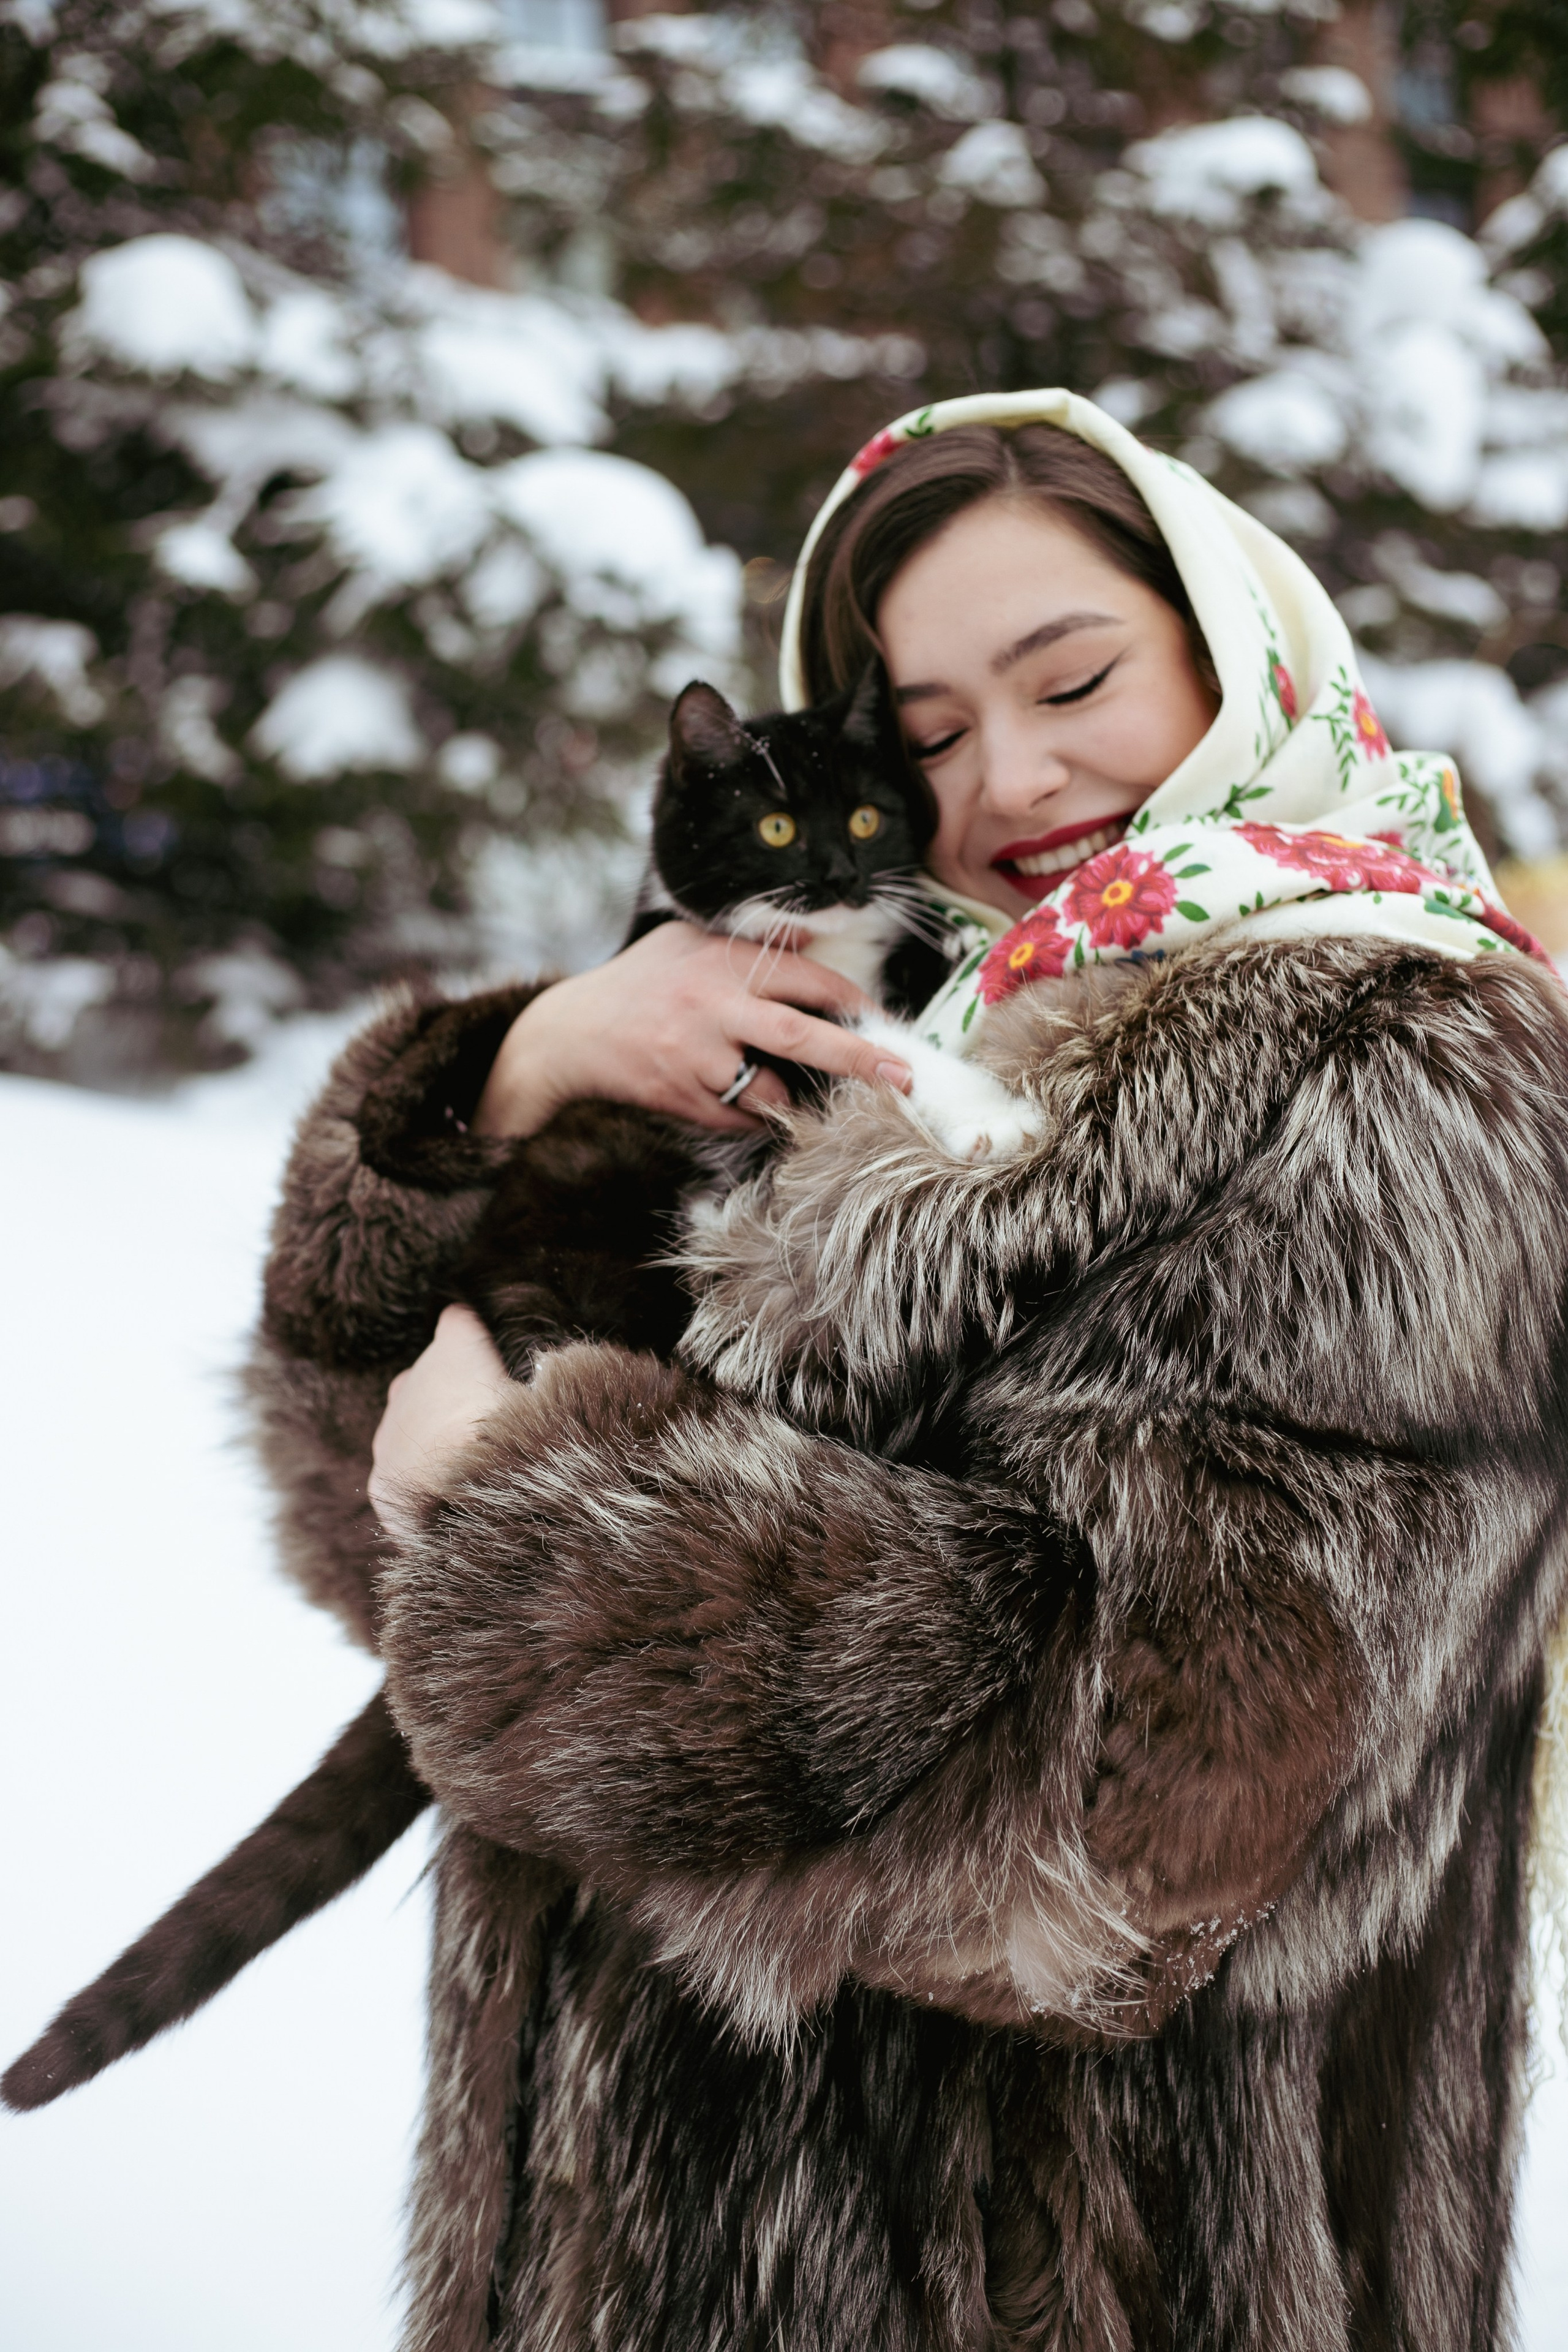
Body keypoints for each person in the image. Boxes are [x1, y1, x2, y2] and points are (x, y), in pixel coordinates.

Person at [251, 390, 1568, 2351]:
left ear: (1240, 643)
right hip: (627, 2254)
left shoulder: (1402, 1073)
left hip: (1089, 2264)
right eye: (932, 735)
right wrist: (521, 1081)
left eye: (1078, 679)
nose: (1012, 780)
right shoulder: (902, 1035)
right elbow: (372, 1515)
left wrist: (530, 1506)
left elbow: (1136, 1820)